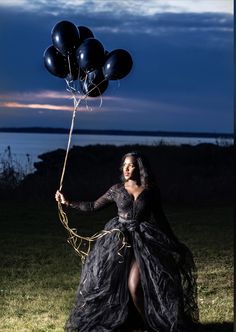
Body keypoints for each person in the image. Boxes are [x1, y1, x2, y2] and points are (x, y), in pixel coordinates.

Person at [55, 151, 198, 332]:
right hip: (118, 241)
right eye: (124, 165)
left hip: (143, 241)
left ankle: (150, 325)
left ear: (140, 168)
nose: (127, 169)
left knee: (135, 285)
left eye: (131, 165)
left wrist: (174, 243)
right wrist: (67, 202)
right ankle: (131, 324)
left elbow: (161, 219)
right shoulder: (117, 189)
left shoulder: (150, 192)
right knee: (112, 286)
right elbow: (92, 206)